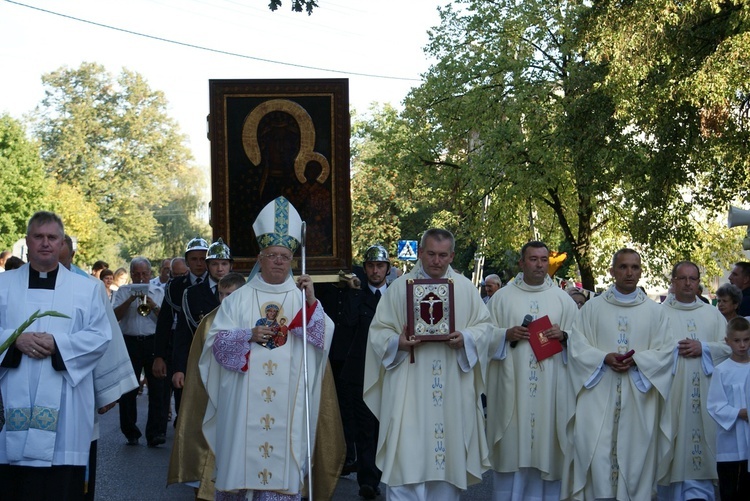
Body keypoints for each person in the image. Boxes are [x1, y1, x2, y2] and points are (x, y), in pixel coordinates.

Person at [199, 196, 337, 499]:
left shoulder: (302, 296)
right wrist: (248, 334)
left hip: (288, 400)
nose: (278, 261)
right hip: (243, 399)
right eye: (272, 255)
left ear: (291, 260)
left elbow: (322, 338)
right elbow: (216, 347)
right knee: (241, 469)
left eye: (284, 256)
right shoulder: (238, 299)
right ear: (260, 258)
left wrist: (312, 301)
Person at [364, 228, 493, 500]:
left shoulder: (465, 289)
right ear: (420, 252)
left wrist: (466, 338)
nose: (436, 261)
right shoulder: (399, 289)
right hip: (408, 387)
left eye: (443, 255)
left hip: (453, 388)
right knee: (405, 463)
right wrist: (397, 341)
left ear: (452, 255)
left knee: (447, 468)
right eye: (431, 254)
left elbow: (485, 327)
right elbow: (378, 332)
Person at [0, 211, 111, 500]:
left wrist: (57, 344)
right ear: (27, 241)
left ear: (62, 243)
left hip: (66, 407)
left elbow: (100, 337)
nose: (45, 243)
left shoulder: (88, 289)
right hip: (11, 401)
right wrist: (14, 340)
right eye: (38, 237)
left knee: (60, 488)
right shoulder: (3, 285)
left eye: (52, 237)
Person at [567, 248, 674, 500]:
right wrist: (603, 357)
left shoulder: (655, 312)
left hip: (639, 397)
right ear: (612, 271)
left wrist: (637, 360)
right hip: (598, 395)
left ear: (640, 271)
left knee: (636, 456)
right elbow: (577, 346)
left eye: (635, 267)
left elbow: (666, 351)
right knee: (596, 451)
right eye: (623, 267)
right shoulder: (592, 308)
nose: (629, 273)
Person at [485, 241, 578, 501]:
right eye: (533, 259)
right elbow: (482, 336)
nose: (539, 265)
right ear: (521, 263)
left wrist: (564, 335)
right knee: (512, 453)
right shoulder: (501, 298)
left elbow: (581, 340)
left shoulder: (563, 300)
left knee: (546, 451)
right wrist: (505, 334)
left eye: (543, 260)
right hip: (511, 388)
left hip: (551, 389)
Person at [657, 261, 731, 501]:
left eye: (693, 279)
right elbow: (648, 351)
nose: (688, 283)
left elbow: (730, 349)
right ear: (673, 281)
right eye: (683, 278)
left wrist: (705, 347)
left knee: (704, 448)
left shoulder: (713, 314)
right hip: (671, 394)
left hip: (706, 393)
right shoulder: (658, 314)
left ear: (698, 282)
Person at [167, 272, 245, 500]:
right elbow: (201, 358)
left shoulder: (255, 318)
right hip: (214, 391)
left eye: (230, 294)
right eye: (221, 294)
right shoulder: (210, 321)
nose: (224, 300)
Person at [341, 244, 390, 499]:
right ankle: (368, 480)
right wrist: (353, 294)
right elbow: (348, 323)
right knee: (365, 429)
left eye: (380, 266)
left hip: (391, 371)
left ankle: (388, 474)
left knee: (388, 426)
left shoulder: (395, 297)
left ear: (387, 269)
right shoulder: (357, 296)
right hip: (360, 372)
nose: (375, 271)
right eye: (370, 266)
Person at [171, 238, 232, 418]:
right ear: (207, 265)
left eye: (224, 263)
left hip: (233, 365)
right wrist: (179, 368)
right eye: (214, 263)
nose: (220, 268)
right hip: (201, 363)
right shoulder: (192, 294)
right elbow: (182, 335)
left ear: (230, 265)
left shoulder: (243, 292)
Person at [152, 238, 208, 421]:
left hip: (209, 349)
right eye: (194, 259)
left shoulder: (217, 284)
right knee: (182, 399)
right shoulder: (175, 286)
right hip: (181, 348)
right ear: (187, 261)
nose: (199, 263)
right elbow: (164, 323)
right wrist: (159, 356)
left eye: (203, 258)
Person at [113, 257, 166, 447]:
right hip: (129, 342)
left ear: (150, 274)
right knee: (128, 389)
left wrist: (153, 305)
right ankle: (130, 432)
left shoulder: (159, 292)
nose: (141, 278)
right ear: (131, 274)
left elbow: (166, 321)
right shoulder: (122, 291)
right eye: (137, 274)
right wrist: (131, 299)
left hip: (153, 342)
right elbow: (114, 316)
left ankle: (156, 433)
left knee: (158, 388)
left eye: (144, 274)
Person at [707, 317, 750, 500]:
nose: (742, 345)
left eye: (747, 340)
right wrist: (739, 413)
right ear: (727, 341)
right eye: (737, 340)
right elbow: (715, 404)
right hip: (730, 440)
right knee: (729, 488)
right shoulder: (722, 370)